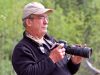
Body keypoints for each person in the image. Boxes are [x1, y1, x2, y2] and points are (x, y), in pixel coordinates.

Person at [12, 2, 83, 75]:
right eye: (41, 18)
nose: (46, 22)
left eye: (46, 17)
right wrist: (52, 59)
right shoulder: (22, 49)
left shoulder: (51, 41)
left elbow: (63, 71)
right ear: (29, 22)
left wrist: (74, 62)